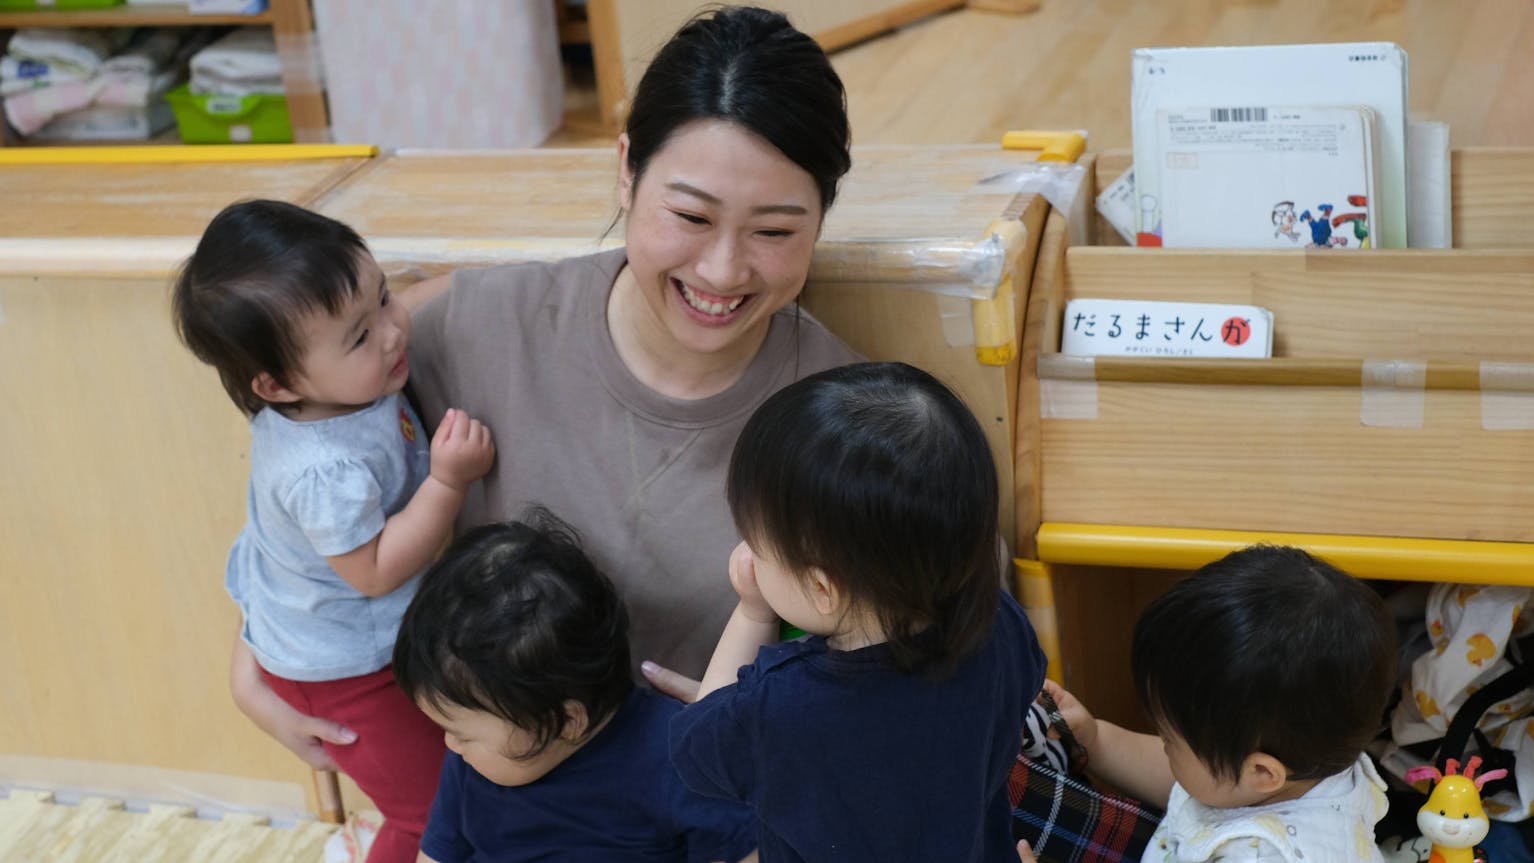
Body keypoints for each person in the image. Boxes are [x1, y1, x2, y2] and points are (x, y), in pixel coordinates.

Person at [172, 199, 497, 863]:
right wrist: (447, 483)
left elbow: (414, 300)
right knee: (429, 812)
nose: (391, 331)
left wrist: (485, 281)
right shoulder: (322, 467)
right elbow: (372, 569)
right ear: (279, 383)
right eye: (358, 335)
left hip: (350, 642)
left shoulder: (346, 383)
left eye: (380, 297)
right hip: (347, 669)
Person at [670, 362, 1049, 862]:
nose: (749, 555)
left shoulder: (779, 706)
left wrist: (752, 613)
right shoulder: (998, 621)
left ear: (822, 588)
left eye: (758, 547)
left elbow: (696, 746)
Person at [393, 510, 757, 863]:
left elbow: (750, 847)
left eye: (462, 734)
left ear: (568, 722)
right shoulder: (469, 765)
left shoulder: (676, 754)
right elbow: (438, 853)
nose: (450, 745)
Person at [1043, 545, 1398, 863]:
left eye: (1170, 743)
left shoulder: (1261, 854)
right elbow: (1185, 780)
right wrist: (1098, 741)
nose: (1163, 747)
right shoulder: (1300, 761)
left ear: (1261, 772)